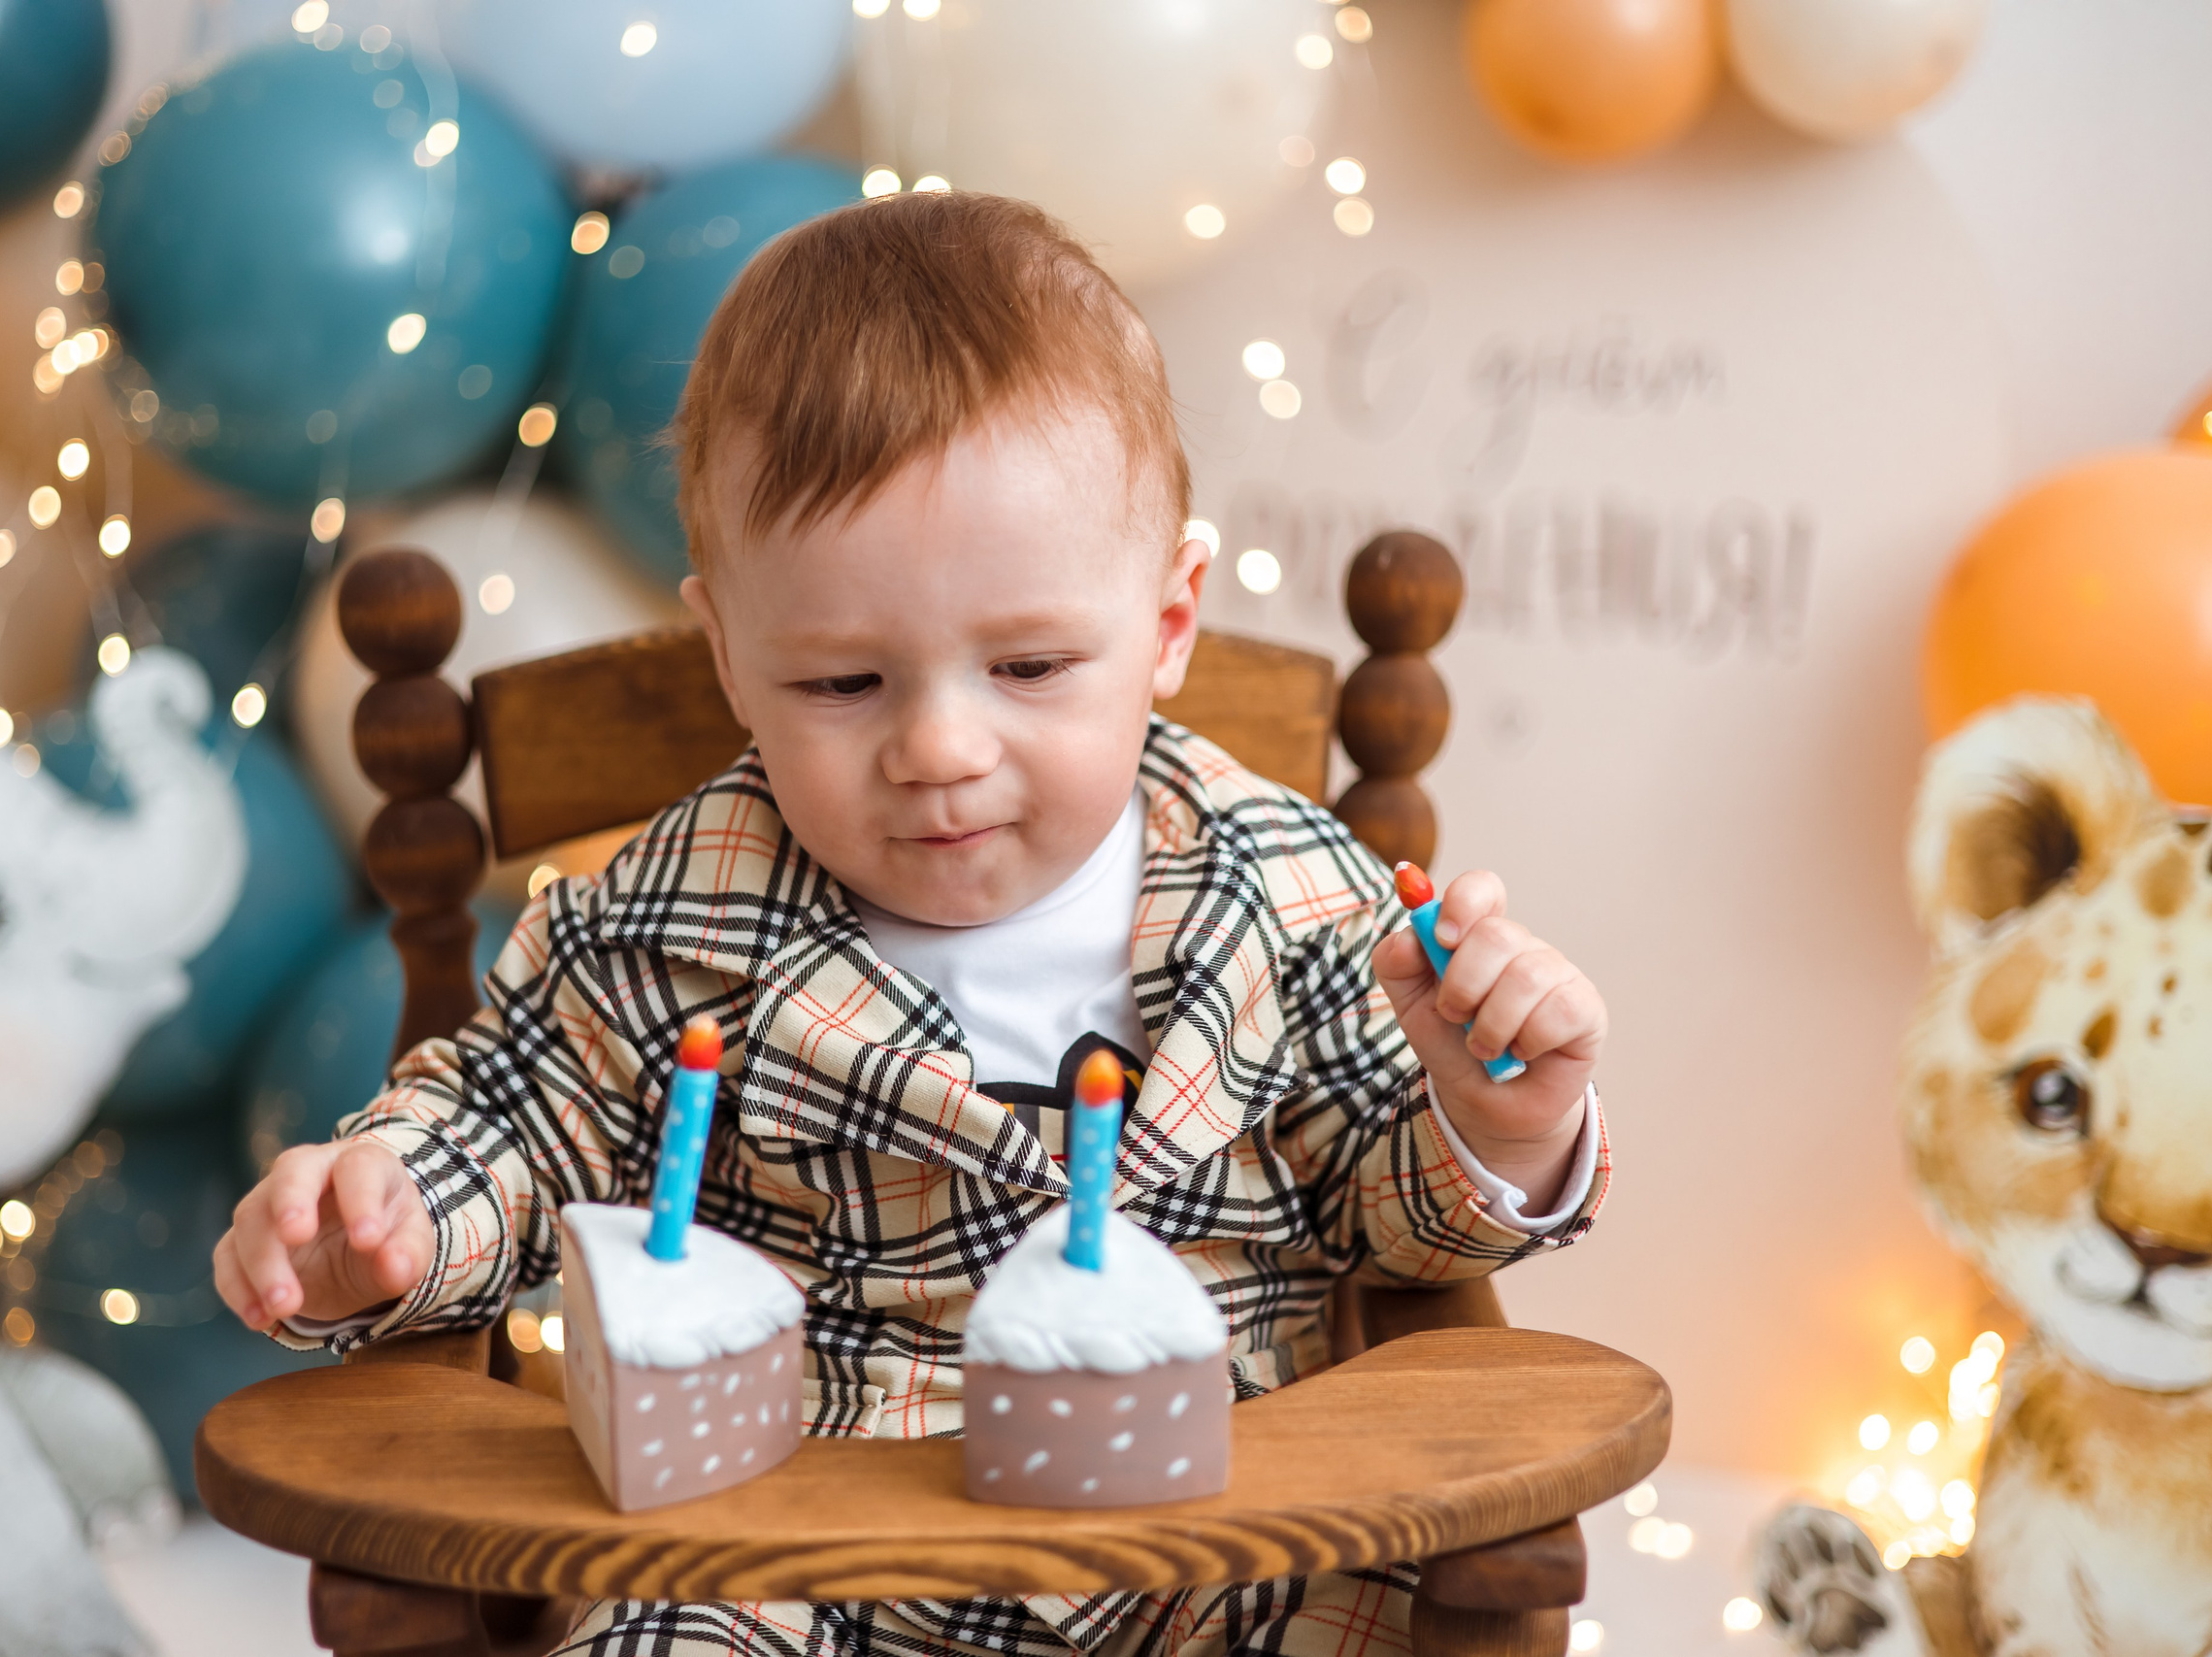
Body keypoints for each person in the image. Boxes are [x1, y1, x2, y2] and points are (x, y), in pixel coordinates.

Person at [214, 189, 1611, 1657]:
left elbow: (1395, 1219)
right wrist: (389, 1215)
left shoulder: (1294, 897)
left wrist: (1497, 1124)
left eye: (1029, 665)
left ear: (1169, 622)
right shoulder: (671, 924)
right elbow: (511, 1121)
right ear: (731, 656)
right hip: (806, 1551)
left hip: (1217, 1536)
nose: (939, 748)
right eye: (842, 684)